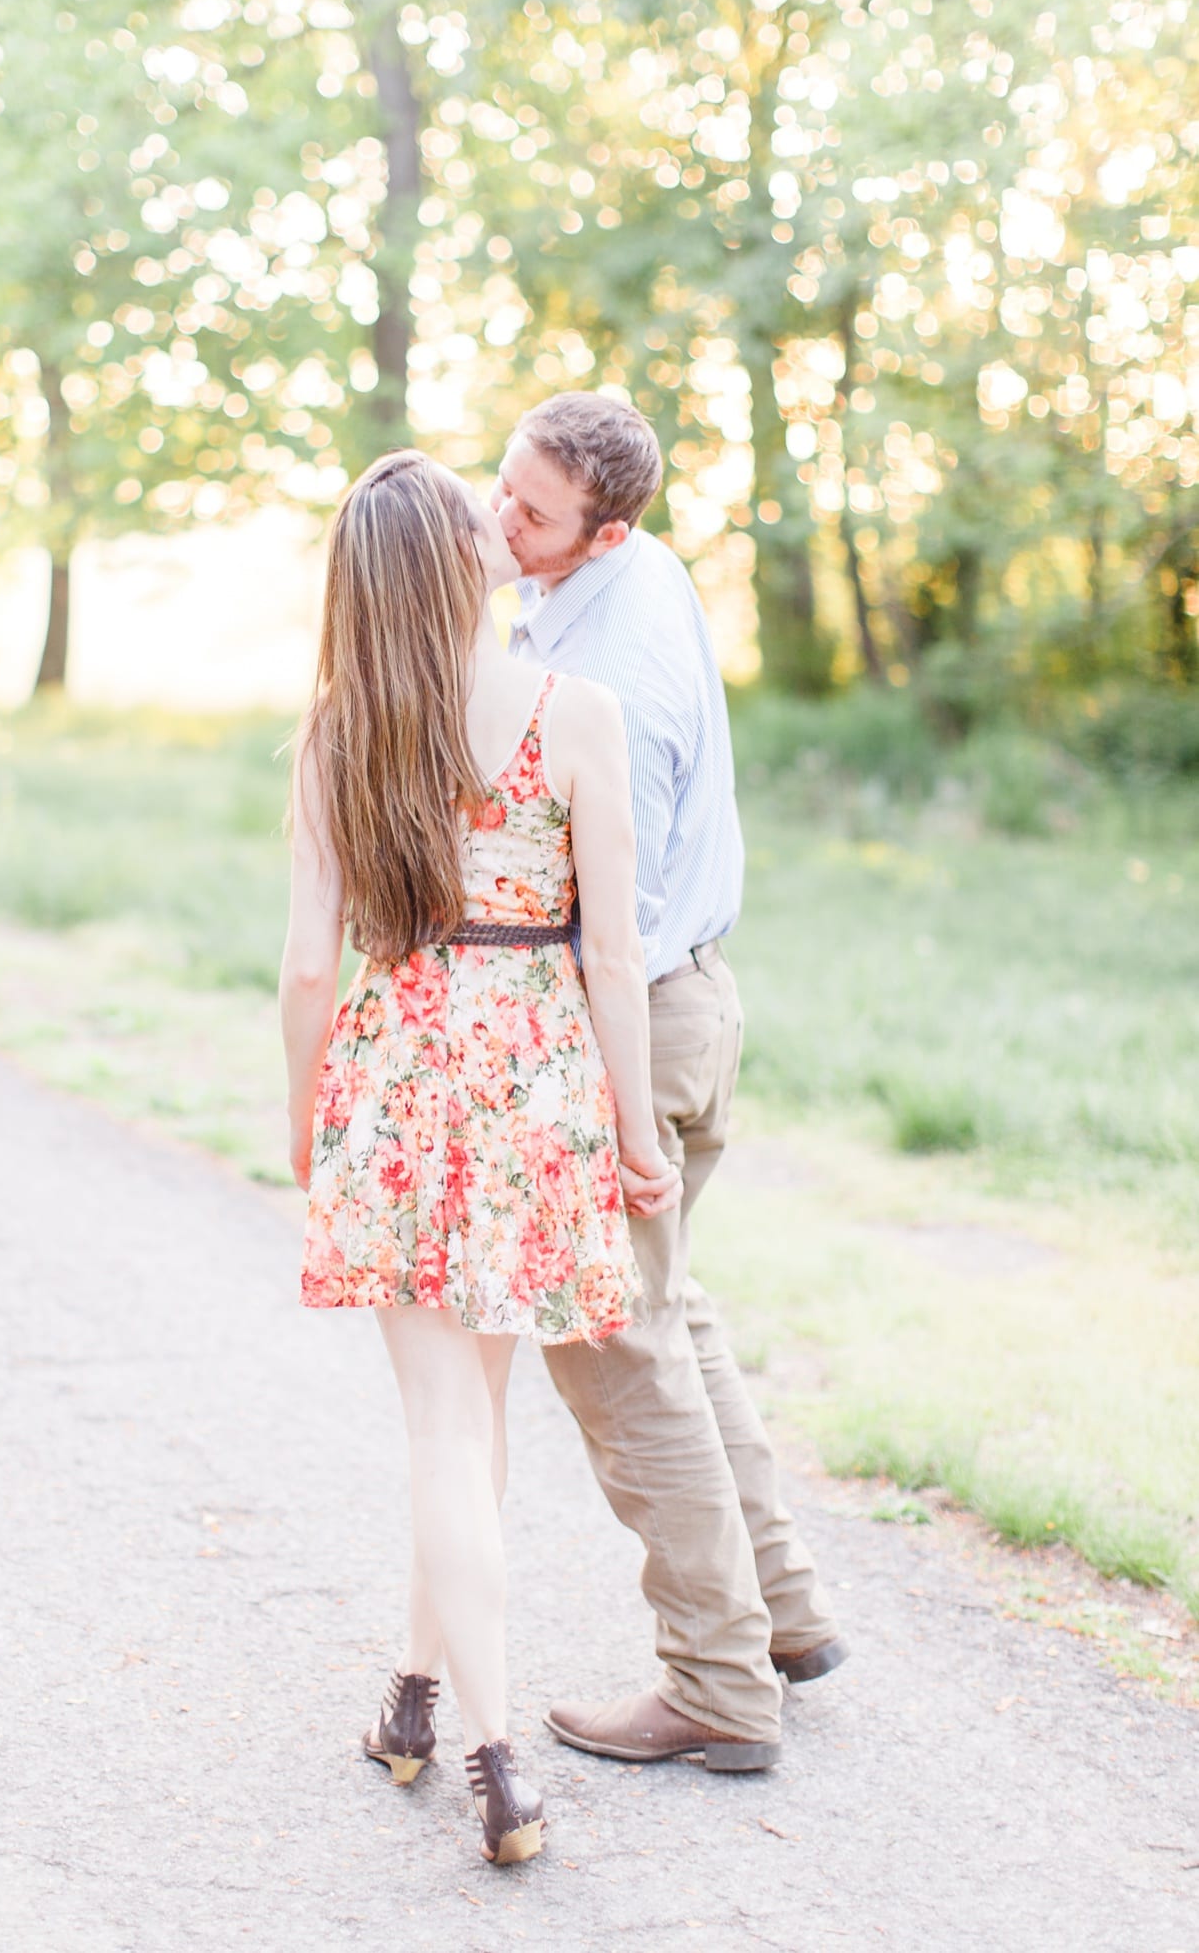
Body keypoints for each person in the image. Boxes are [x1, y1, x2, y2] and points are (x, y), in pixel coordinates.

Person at [279, 449, 682, 1866]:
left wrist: (305, 1124)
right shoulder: (579, 714)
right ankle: (454, 1723)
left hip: (395, 1077)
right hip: (529, 1077)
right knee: (472, 1422)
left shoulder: (342, 727)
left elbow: (307, 977)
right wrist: (638, 1136)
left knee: (448, 1426)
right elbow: (615, 957)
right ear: (462, 564)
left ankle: (462, 1729)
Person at [491, 391, 848, 1774]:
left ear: (611, 526)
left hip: (636, 1016)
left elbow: (601, 934)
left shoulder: (615, 697)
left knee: (614, 1347)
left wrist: (622, 1122)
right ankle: (787, 1613)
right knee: (669, 1309)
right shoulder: (627, 572)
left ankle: (715, 1683)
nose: (500, 518)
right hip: (698, 999)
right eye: (502, 485)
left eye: (530, 512)